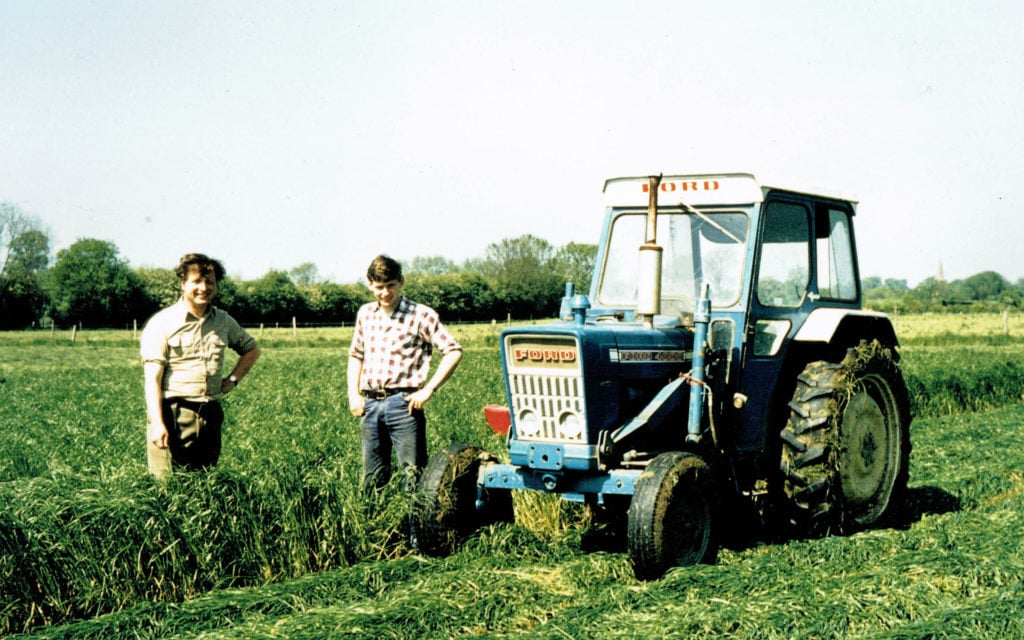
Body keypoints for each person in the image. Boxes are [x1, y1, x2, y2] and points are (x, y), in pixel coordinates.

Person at [347, 255, 463, 493]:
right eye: (379, 287)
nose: (385, 292)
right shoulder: (366, 314)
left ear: (401, 281)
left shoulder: (421, 315)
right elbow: (356, 354)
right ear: (369, 284)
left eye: (390, 285)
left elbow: (453, 351)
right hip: (370, 405)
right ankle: (377, 528)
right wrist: (353, 393)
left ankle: (414, 530)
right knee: (372, 480)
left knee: (412, 478)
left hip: (404, 405)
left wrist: (428, 389)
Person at [140, 253, 261, 478]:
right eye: (197, 281)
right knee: (167, 484)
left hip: (210, 413)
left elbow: (252, 350)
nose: (204, 287)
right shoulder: (162, 324)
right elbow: (152, 380)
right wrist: (158, 423)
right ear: (183, 283)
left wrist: (231, 381)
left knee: (204, 482)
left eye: (210, 282)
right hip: (173, 413)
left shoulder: (223, 321)